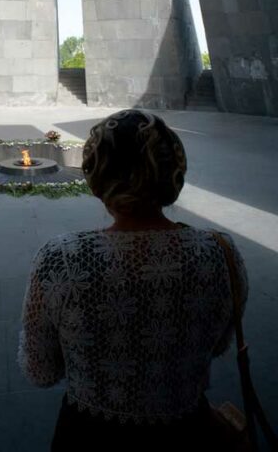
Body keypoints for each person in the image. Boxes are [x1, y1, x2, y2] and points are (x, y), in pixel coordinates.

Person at [17, 109, 249, 451]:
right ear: (174, 173)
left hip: (88, 436)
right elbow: (217, 345)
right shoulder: (221, 253)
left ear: (96, 176)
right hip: (189, 432)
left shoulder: (62, 260)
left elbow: (40, 371)